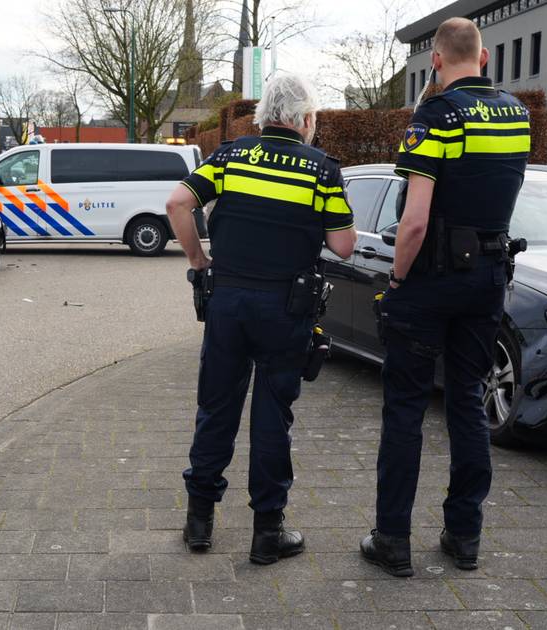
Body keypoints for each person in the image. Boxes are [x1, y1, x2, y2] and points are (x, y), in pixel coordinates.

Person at [361, 17, 531, 577]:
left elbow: (413, 222)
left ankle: (393, 541)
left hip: (431, 277)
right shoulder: (517, 115)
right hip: (488, 277)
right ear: (484, 59)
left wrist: (398, 281)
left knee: (406, 407)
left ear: (435, 60)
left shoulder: (434, 116)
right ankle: (464, 536)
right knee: (467, 403)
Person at [165, 73, 357, 565]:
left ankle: (199, 523)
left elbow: (177, 203)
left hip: (227, 301)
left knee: (216, 409)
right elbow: (343, 245)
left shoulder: (229, 156)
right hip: (285, 309)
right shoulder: (321, 170)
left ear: (264, 114)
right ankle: (267, 533)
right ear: (306, 120)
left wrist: (197, 259)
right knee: (273, 417)